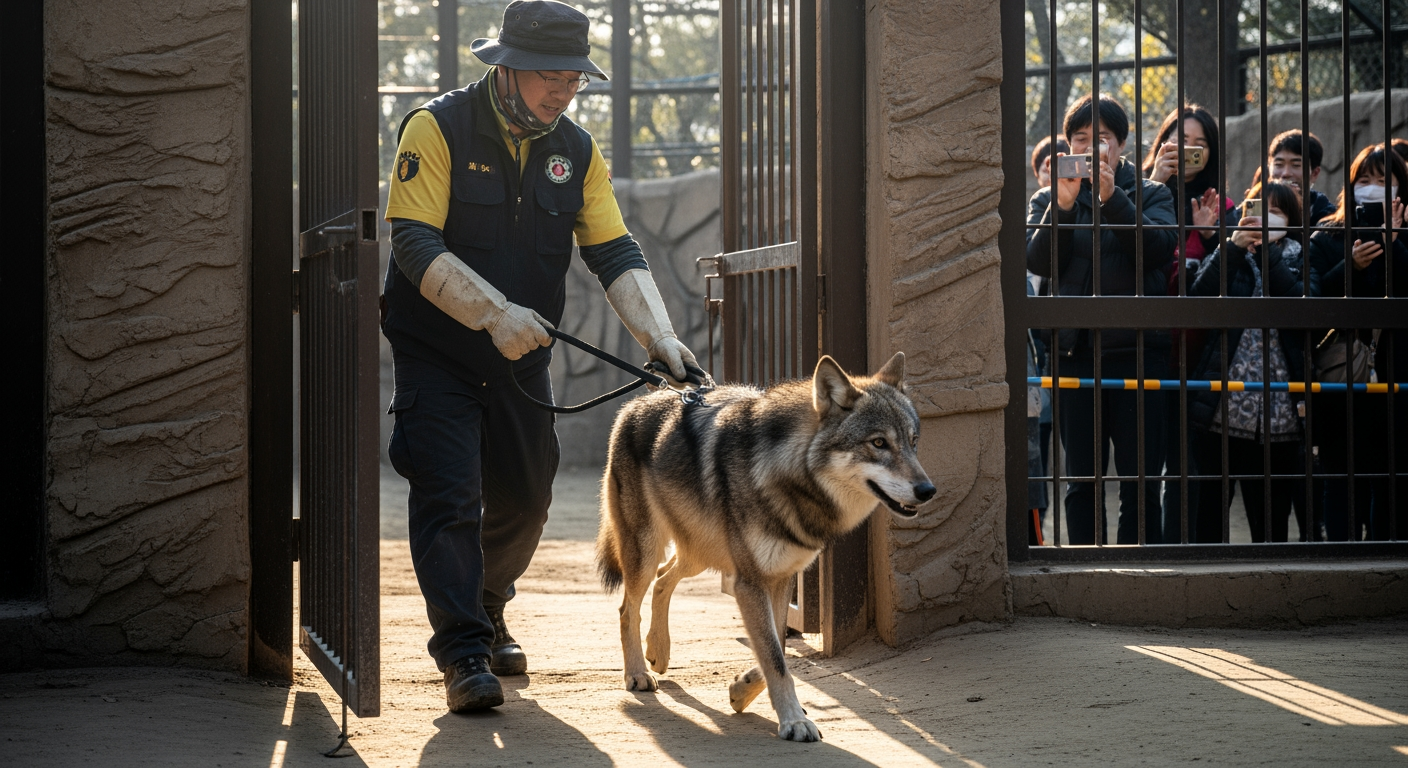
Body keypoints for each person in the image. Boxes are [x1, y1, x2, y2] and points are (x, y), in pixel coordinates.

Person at [381, 0, 702, 712]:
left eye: (575, 79)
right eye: (550, 76)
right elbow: (413, 243)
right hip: (437, 351)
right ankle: (464, 653)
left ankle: (489, 604)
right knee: (450, 494)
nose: (563, 90)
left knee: (528, 499)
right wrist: (492, 313)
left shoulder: (577, 151)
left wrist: (661, 337)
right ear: (510, 68)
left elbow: (613, 248)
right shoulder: (436, 128)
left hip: (523, 355)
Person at [1025, 94, 1179, 545]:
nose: (1093, 149)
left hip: (1139, 356)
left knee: (1140, 483)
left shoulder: (1152, 192)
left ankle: (1141, 571)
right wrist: (1064, 206)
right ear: (1068, 146)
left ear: (1122, 144)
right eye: (1081, 139)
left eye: (1103, 139)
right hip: (1074, 357)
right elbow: (1040, 262)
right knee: (1081, 483)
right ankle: (1082, 568)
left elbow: (1157, 250)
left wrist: (1112, 199)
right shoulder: (1048, 197)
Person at [1187, 182, 1318, 542]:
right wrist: (1233, 247)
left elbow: (1303, 310)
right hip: (1221, 409)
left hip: (1281, 416)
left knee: (1271, 520)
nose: (1266, 217)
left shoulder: (1303, 256)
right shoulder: (1232, 250)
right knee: (1210, 517)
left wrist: (1266, 255)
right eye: (1261, 207)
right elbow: (1199, 295)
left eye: (1277, 211)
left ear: (1291, 221)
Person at [1141, 104, 1236, 543]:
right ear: (1162, 145)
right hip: (1145, 348)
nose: (1190, 151)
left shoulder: (1224, 206)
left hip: (1200, 359)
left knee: (1186, 465)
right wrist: (1154, 180)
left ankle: (1185, 550)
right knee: (1143, 463)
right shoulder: (1139, 190)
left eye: (1200, 144)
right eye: (1181, 142)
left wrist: (1215, 235)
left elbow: (1237, 281)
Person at [1308, 143, 1408, 541]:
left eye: (1384, 182)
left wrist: (1395, 244)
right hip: (1341, 377)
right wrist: (1350, 265)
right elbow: (1311, 302)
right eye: (1363, 181)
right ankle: (1340, 557)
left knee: (1392, 477)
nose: (1372, 188)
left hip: (1397, 375)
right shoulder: (1328, 234)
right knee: (1341, 476)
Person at [1261, 129, 1335, 225]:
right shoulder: (1251, 208)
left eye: (1296, 165)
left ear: (1314, 173)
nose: (1286, 173)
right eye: (1279, 164)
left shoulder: (1328, 217)